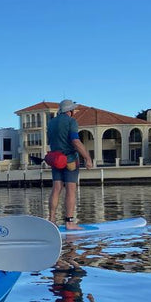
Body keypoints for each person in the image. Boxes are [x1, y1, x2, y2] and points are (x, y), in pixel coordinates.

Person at [46, 99, 93, 230]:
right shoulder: (71, 121)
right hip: (70, 160)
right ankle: (69, 222)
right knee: (71, 190)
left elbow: (51, 141)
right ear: (70, 111)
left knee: (56, 189)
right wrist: (87, 158)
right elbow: (75, 141)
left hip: (55, 159)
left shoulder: (51, 123)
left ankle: (52, 219)